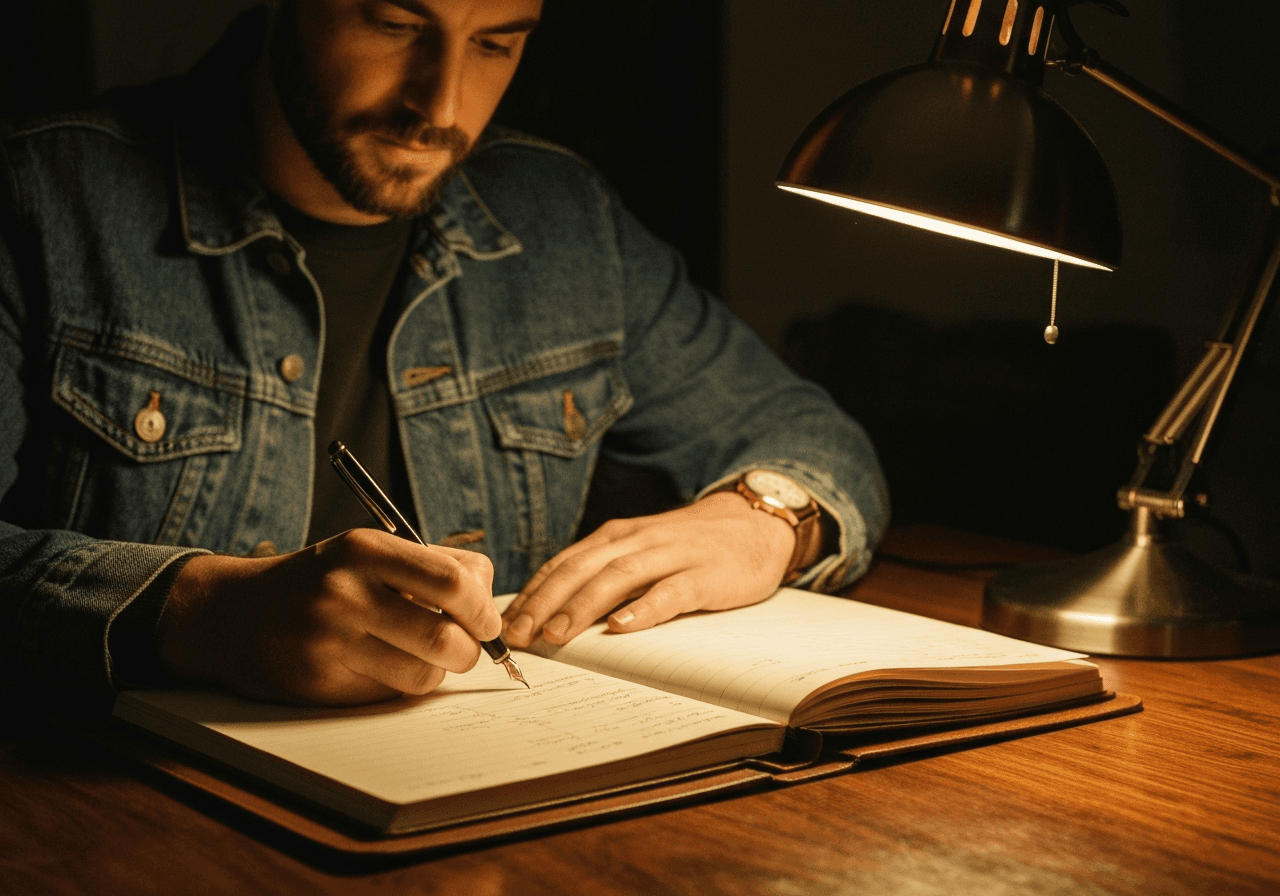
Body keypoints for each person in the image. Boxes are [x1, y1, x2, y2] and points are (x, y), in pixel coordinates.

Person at [0, 0, 889, 706]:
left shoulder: (562, 218)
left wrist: (767, 515)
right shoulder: (45, 201)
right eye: (394, 25)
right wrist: (194, 614)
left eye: (497, 43)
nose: (442, 105)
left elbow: (812, 435)